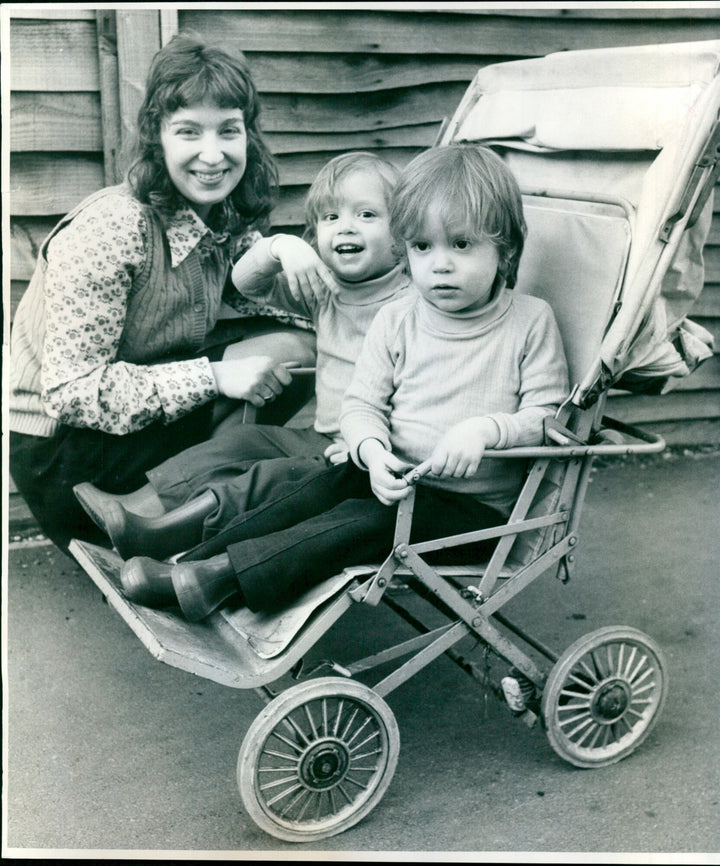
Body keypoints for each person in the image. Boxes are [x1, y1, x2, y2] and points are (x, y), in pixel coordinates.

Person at [117, 143, 571, 620]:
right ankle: (191, 566)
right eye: (422, 246)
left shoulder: (530, 321)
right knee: (306, 493)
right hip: (391, 476)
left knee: (358, 521)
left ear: (507, 249)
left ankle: (220, 579)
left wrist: (485, 430)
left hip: (468, 513)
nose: (439, 264)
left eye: (461, 245)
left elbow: (549, 418)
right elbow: (361, 406)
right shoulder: (398, 318)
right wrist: (371, 453)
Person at [8, 33, 326, 554]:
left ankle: (185, 510)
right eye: (188, 132)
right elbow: (71, 394)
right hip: (66, 459)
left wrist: (281, 249)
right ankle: (158, 518)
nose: (213, 154)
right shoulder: (113, 227)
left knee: (292, 355)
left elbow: (274, 314)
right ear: (157, 137)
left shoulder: (217, 216)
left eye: (229, 130)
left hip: (139, 428)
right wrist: (217, 375)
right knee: (264, 395)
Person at [72, 151, 409, 560]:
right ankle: (132, 510)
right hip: (319, 437)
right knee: (240, 442)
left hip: (363, 457)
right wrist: (279, 246)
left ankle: (167, 537)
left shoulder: (415, 305)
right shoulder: (326, 290)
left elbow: (424, 392)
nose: (346, 228)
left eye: (367, 215)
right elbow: (247, 283)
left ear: (403, 232)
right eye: (331, 218)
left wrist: (369, 449)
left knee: (263, 479)